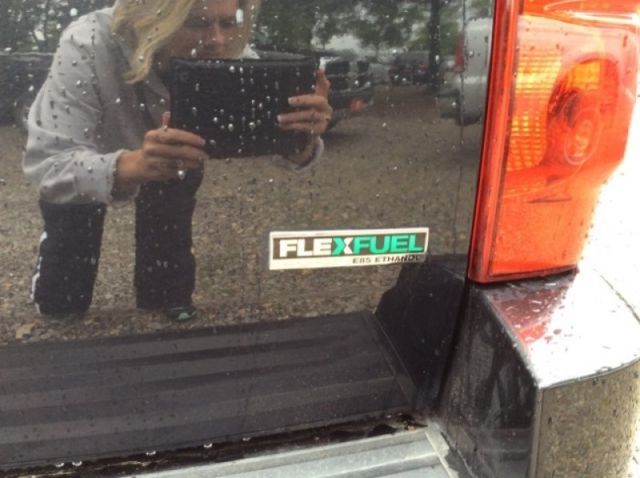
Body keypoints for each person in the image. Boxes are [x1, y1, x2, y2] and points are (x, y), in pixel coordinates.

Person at [23, 0, 333, 320]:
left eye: (228, 23)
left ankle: (165, 307)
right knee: (65, 277)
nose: (217, 40)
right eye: (197, 23)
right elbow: (51, 165)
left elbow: (276, 144)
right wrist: (133, 165)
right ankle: (59, 307)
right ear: (151, 18)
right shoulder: (87, 41)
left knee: (169, 252)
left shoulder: (230, 52)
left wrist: (301, 136)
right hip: (88, 149)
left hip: (175, 155)